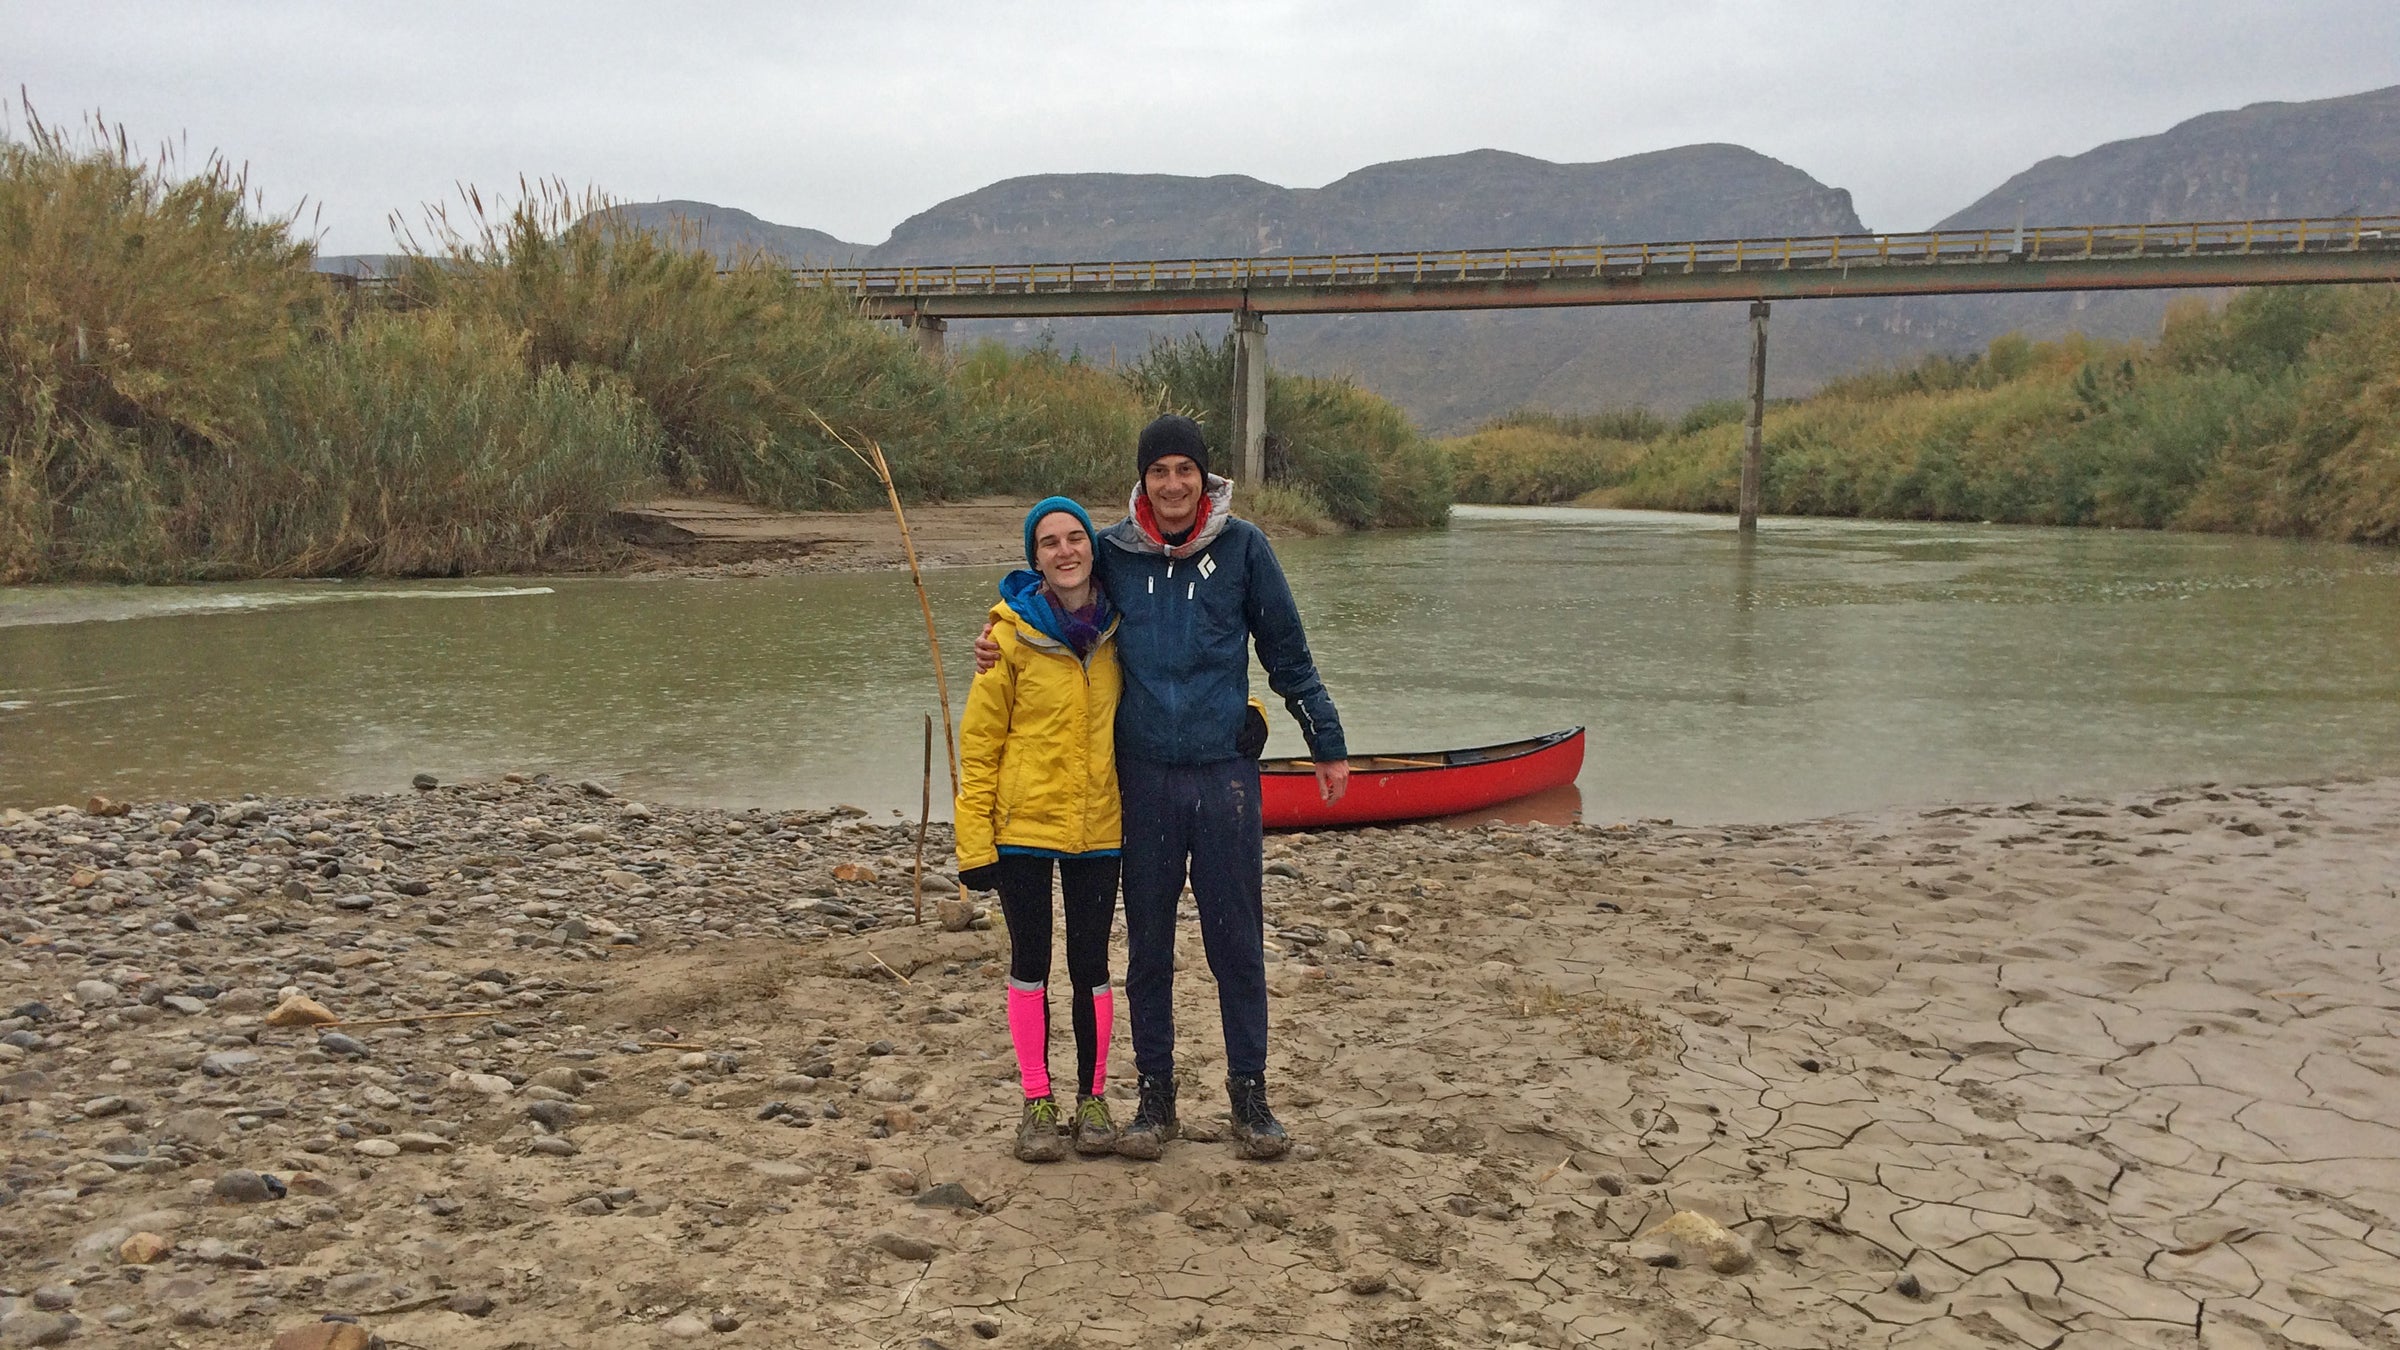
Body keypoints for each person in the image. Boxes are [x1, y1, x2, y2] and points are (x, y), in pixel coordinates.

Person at [978, 415, 1350, 1161]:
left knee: (1236, 942)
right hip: (1141, 780)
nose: (1173, 485)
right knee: (1146, 948)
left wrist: (1325, 740)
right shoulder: (1114, 552)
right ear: (1142, 481)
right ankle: (1156, 1101)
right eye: (1159, 472)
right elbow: (1053, 595)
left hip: (1223, 780)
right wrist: (997, 633)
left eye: (1186, 470)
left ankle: (1250, 1098)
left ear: (1205, 477)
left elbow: (1288, 653)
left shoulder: (1245, 548)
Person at [955, 497, 1125, 1163]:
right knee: (1030, 964)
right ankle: (1036, 1099)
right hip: (1022, 827)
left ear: (1091, 547)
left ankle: (1093, 1097)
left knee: (1092, 966)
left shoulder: (1121, 628)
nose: (1064, 551)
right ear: (1034, 559)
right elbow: (979, 746)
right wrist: (973, 845)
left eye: (1074, 537)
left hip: (1100, 825)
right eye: (1049, 542)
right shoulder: (1006, 639)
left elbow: (1184, 677)